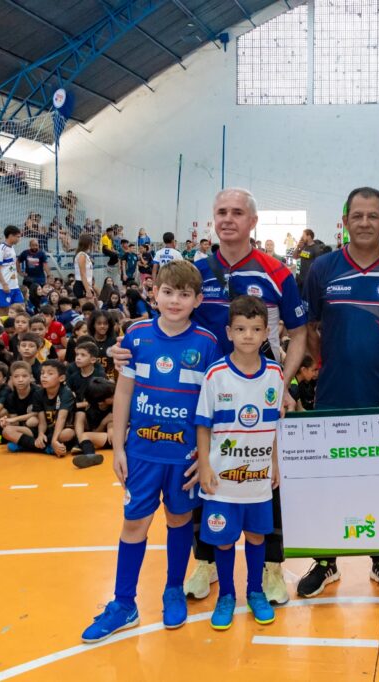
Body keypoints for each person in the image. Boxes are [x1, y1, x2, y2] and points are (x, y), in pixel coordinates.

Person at [111, 188, 307, 606]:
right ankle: (206, 562)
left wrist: (284, 385)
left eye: (237, 212)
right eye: (221, 212)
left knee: (264, 480)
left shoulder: (277, 272)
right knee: (205, 477)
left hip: (260, 391)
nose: (228, 219)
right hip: (207, 394)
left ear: (253, 221)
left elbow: (300, 331)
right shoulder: (197, 272)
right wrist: (125, 349)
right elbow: (169, 322)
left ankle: (271, 568)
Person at [79, 260, 220, 643]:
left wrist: (206, 456)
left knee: (179, 520)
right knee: (134, 524)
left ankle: (173, 589)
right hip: (142, 454)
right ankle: (124, 603)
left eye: (184, 294)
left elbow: (211, 408)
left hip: (185, 458)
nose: (175, 301)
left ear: (198, 300)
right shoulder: (136, 336)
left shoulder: (206, 343)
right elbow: (123, 393)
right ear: (153, 293)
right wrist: (118, 448)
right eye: (168, 292)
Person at [296, 187, 379, 600]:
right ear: (345, 220)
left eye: (373, 216)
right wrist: (326, 361)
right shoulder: (323, 269)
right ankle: (326, 561)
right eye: (357, 215)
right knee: (329, 482)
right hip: (333, 394)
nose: (365, 222)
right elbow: (310, 327)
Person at [195, 295, 282, 630]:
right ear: (229, 332)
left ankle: (255, 591)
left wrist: (275, 462)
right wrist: (205, 466)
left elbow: (274, 426)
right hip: (222, 480)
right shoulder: (216, 374)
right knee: (224, 539)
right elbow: (203, 425)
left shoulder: (274, 373)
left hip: (258, 478)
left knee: (257, 537)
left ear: (266, 333)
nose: (248, 335)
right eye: (242, 328)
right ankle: (227, 595)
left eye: (256, 329)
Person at [0, 225, 24, 314]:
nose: (19, 239)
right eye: (17, 237)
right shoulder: (2, 248)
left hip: (14, 285)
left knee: (20, 308)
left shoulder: (11, 248)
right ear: (11, 236)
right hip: (4, 286)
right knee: (4, 311)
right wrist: (4, 284)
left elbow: (10, 266)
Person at [73, 234, 96, 301]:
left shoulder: (85, 255)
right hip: (81, 285)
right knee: (87, 307)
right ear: (88, 243)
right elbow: (83, 274)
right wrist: (88, 291)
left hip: (86, 285)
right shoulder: (82, 255)